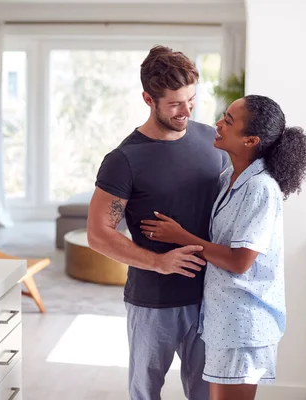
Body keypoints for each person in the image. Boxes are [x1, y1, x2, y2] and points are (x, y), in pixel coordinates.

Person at [140, 95, 306, 400]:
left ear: (250, 141)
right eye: (223, 116)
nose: (217, 124)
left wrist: (180, 236)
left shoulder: (260, 188)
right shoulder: (229, 178)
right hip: (225, 320)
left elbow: (240, 262)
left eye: (229, 121)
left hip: (244, 325)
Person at [87, 45, 229, 400]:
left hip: (210, 297)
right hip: (153, 301)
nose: (187, 110)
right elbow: (97, 234)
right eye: (175, 104)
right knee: (145, 392)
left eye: (191, 99)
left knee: (205, 394)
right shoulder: (124, 159)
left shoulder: (211, 141)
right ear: (148, 99)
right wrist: (159, 262)